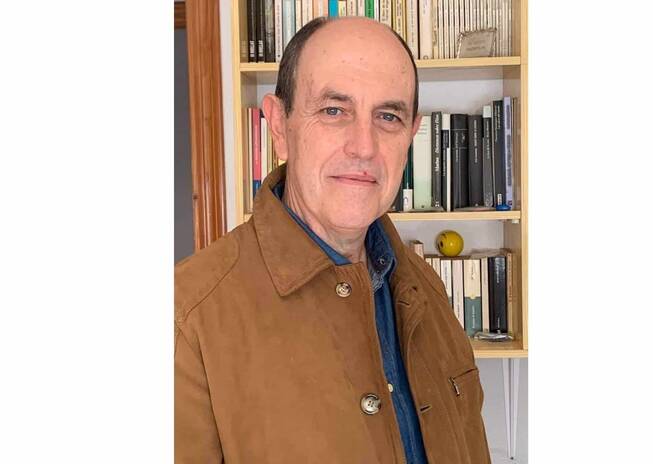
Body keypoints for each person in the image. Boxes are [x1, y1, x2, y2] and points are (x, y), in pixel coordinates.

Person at [175, 16, 490, 464]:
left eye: (388, 116)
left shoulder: (426, 288)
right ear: (279, 126)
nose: (364, 146)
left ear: (410, 136)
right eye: (333, 110)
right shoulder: (187, 318)